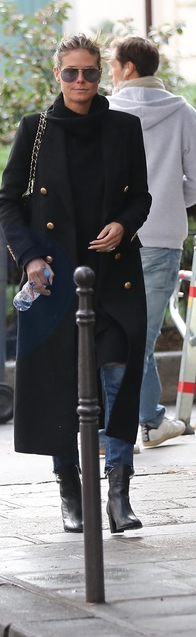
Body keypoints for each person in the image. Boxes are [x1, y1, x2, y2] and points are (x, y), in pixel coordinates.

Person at [0, 33, 151, 535]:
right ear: (57, 75)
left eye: (89, 72)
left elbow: (142, 196)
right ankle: (70, 488)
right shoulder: (35, 129)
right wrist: (29, 257)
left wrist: (124, 224)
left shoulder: (124, 127)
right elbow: (8, 200)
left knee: (119, 377)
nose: (80, 81)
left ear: (102, 74)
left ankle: (119, 491)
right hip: (55, 276)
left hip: (113, 273)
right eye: (71, 72)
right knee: (59, 382)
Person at [107, 36, 196, 448]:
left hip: (114, 235)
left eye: (112, 64)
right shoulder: (184, 113)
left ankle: (136, 422)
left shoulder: (106, 111)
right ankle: (144, 421)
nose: (108, 72)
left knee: (121, 333)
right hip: (162, 234)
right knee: (140, 336)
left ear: (128, 67)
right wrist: (170, 200)